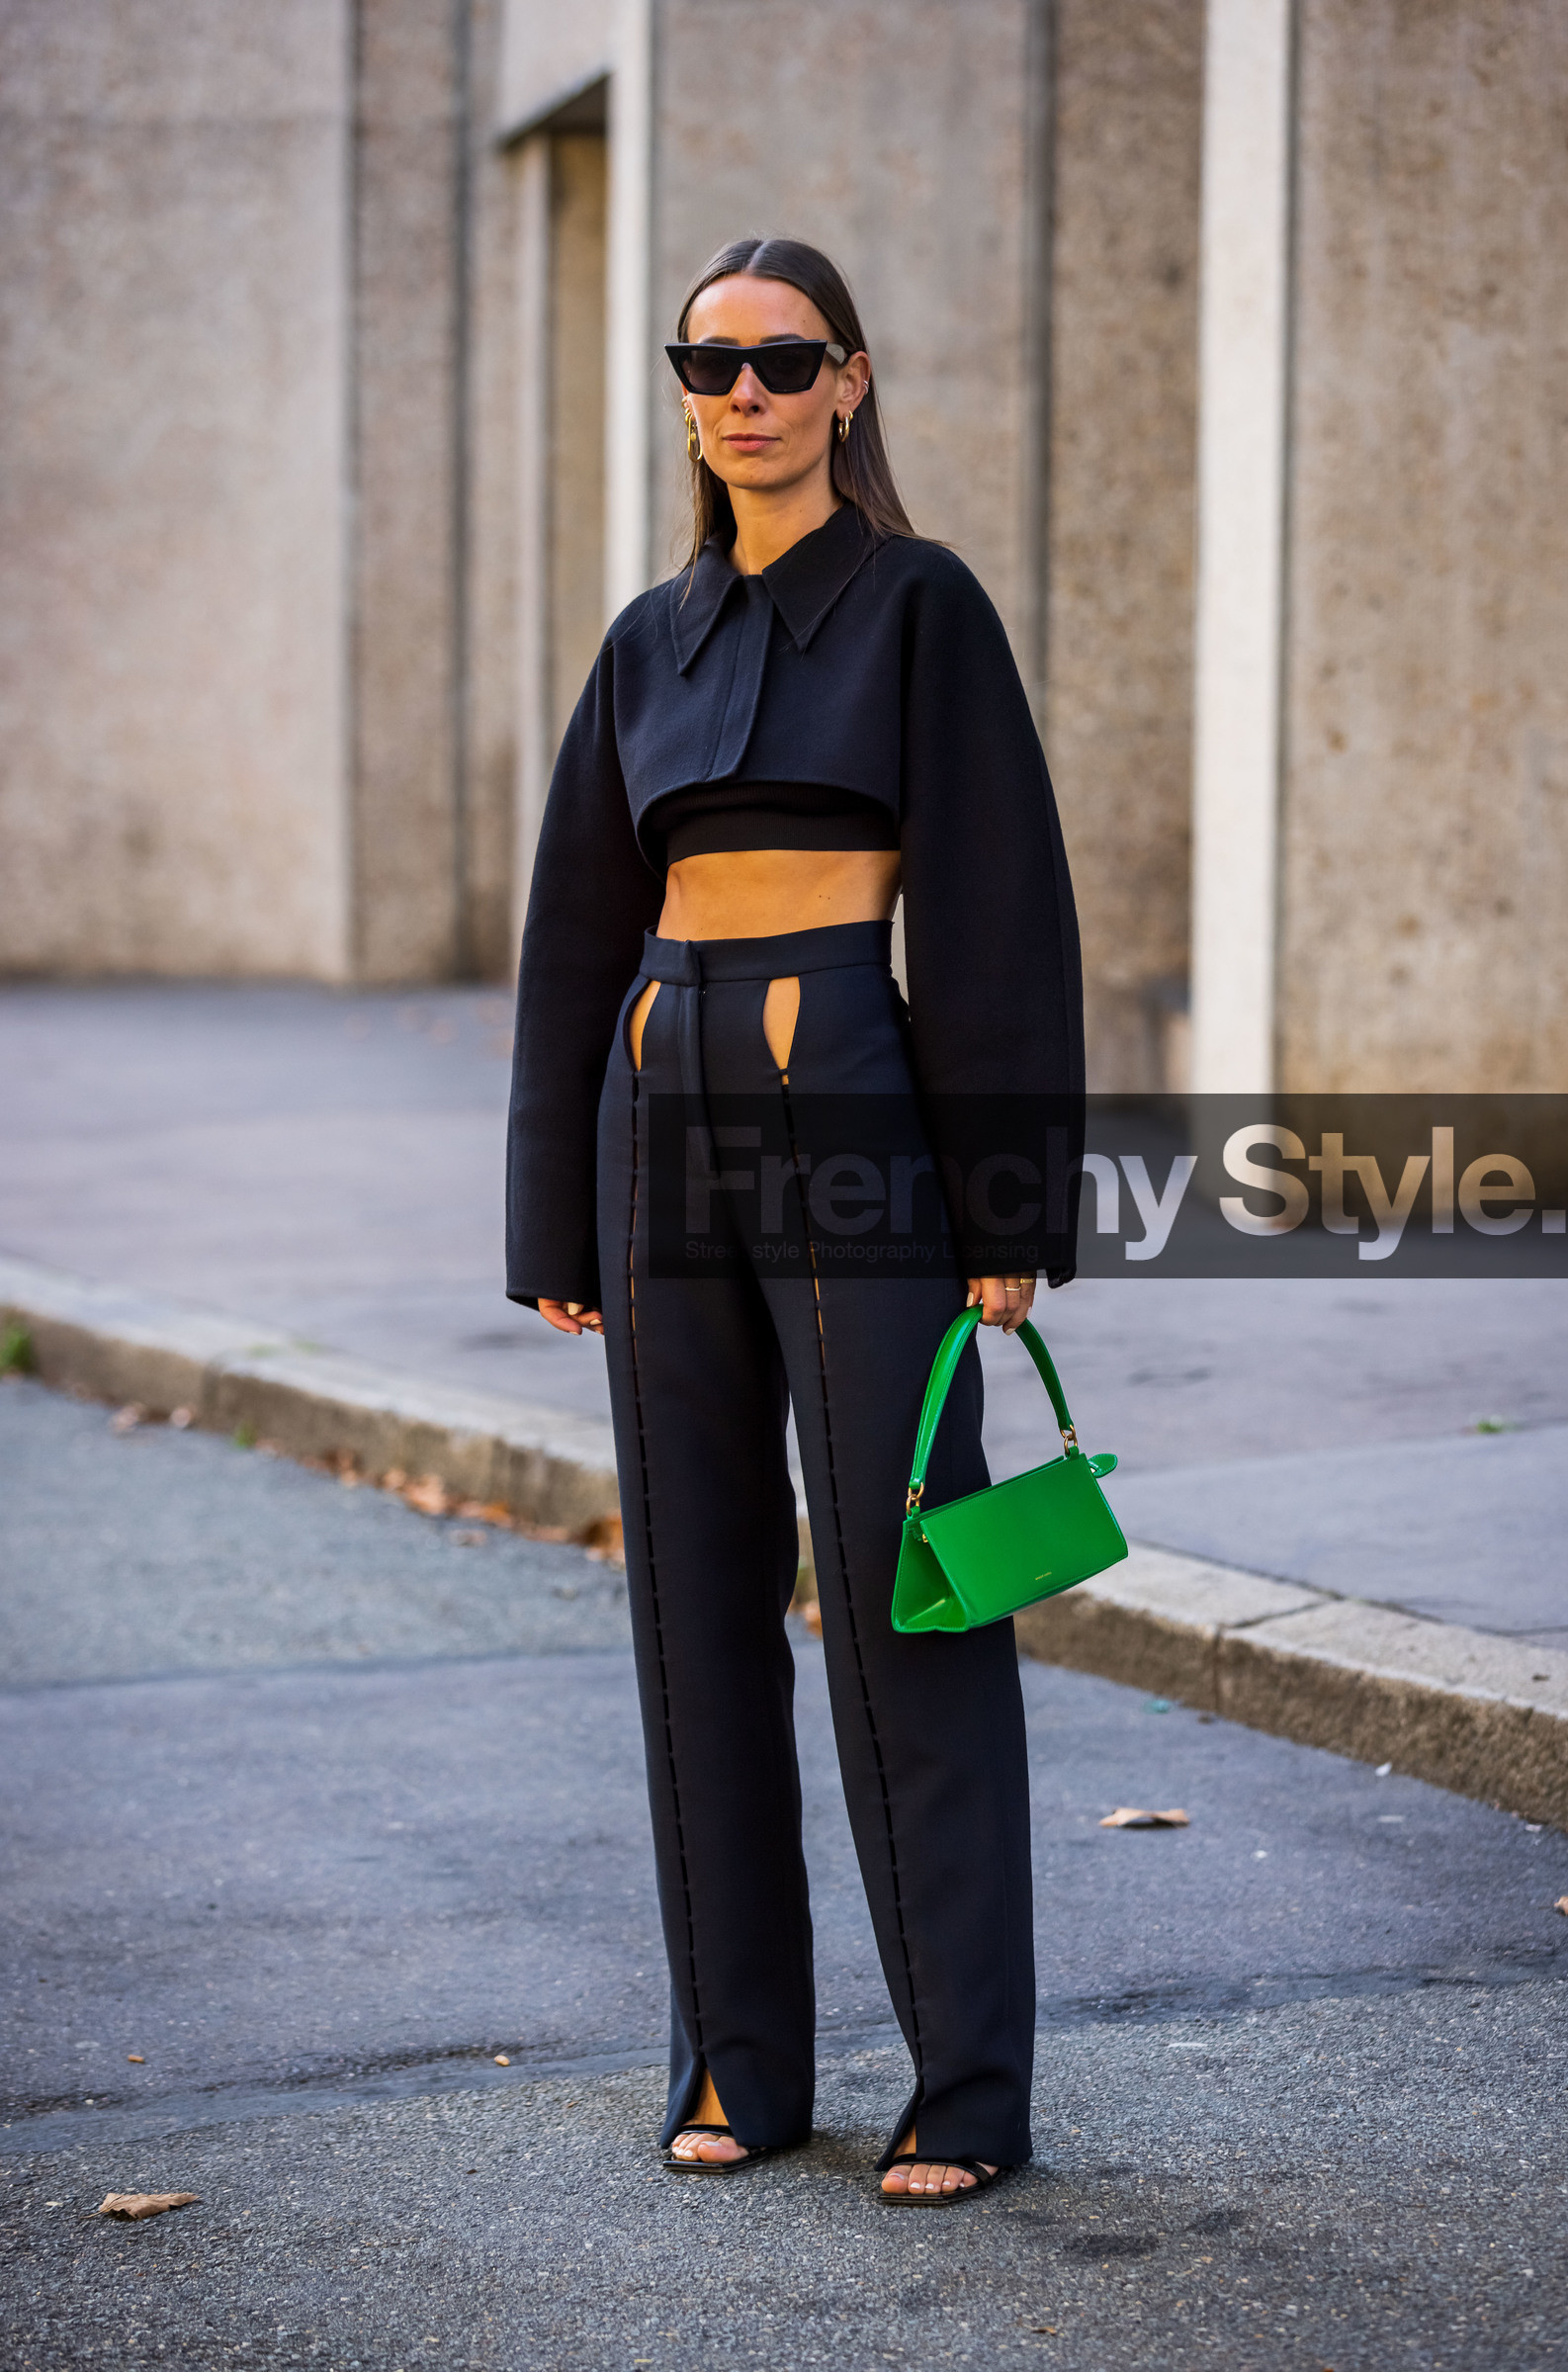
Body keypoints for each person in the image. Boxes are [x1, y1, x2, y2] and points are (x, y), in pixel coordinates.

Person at [506, 236, 1083, 2203]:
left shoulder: (919, 606)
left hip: (849, 1096)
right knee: (691, 1609)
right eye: (708, 361)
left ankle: (966, 2090)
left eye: (781, 359)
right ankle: (740, 2065)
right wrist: (548, 1228)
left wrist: (1006, 1202)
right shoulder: (641, 640)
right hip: (652, 1108)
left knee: (906, 1591)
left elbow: (998, 907)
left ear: (848, 380)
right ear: (683, 394)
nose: (741, 391)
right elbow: (574, 929)